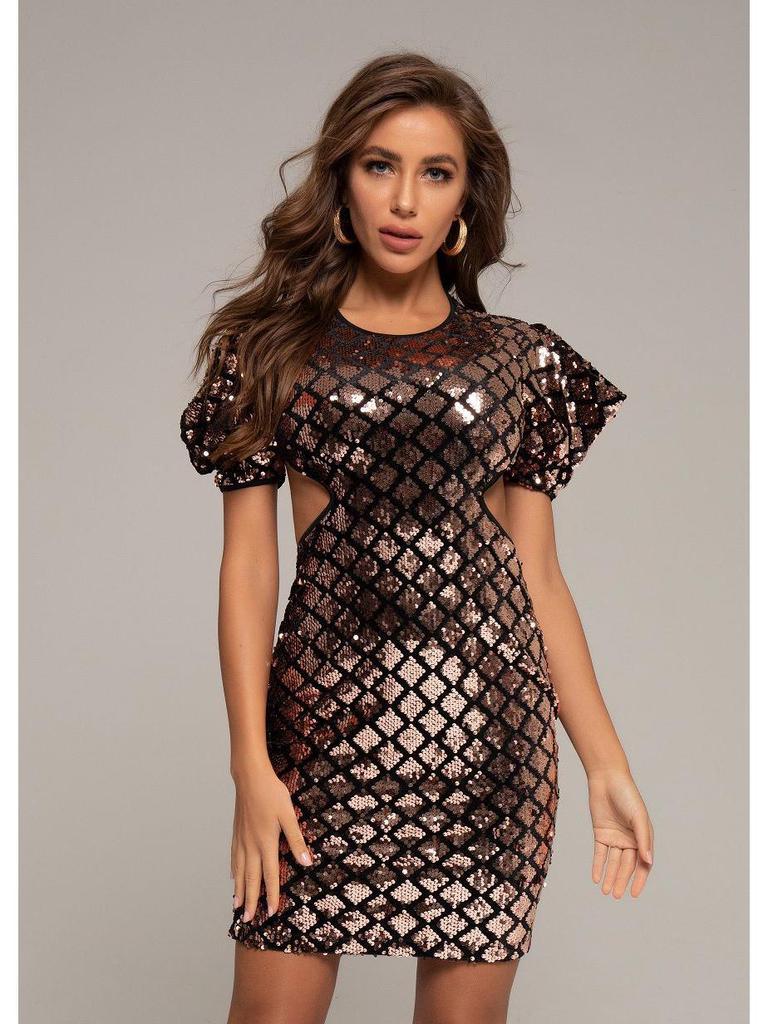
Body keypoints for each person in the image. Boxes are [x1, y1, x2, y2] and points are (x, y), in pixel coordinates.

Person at [180, 51, 654, 1024]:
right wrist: (250, 767)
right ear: (342, 187)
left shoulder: (519, 359)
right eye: (379, 165)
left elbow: (538, 576)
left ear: (464, 204)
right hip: (324, 734)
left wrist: (606, 764)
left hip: (489, 741)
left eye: (435, 173)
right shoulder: (268, 351)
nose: (405, 199)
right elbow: (249, 570)